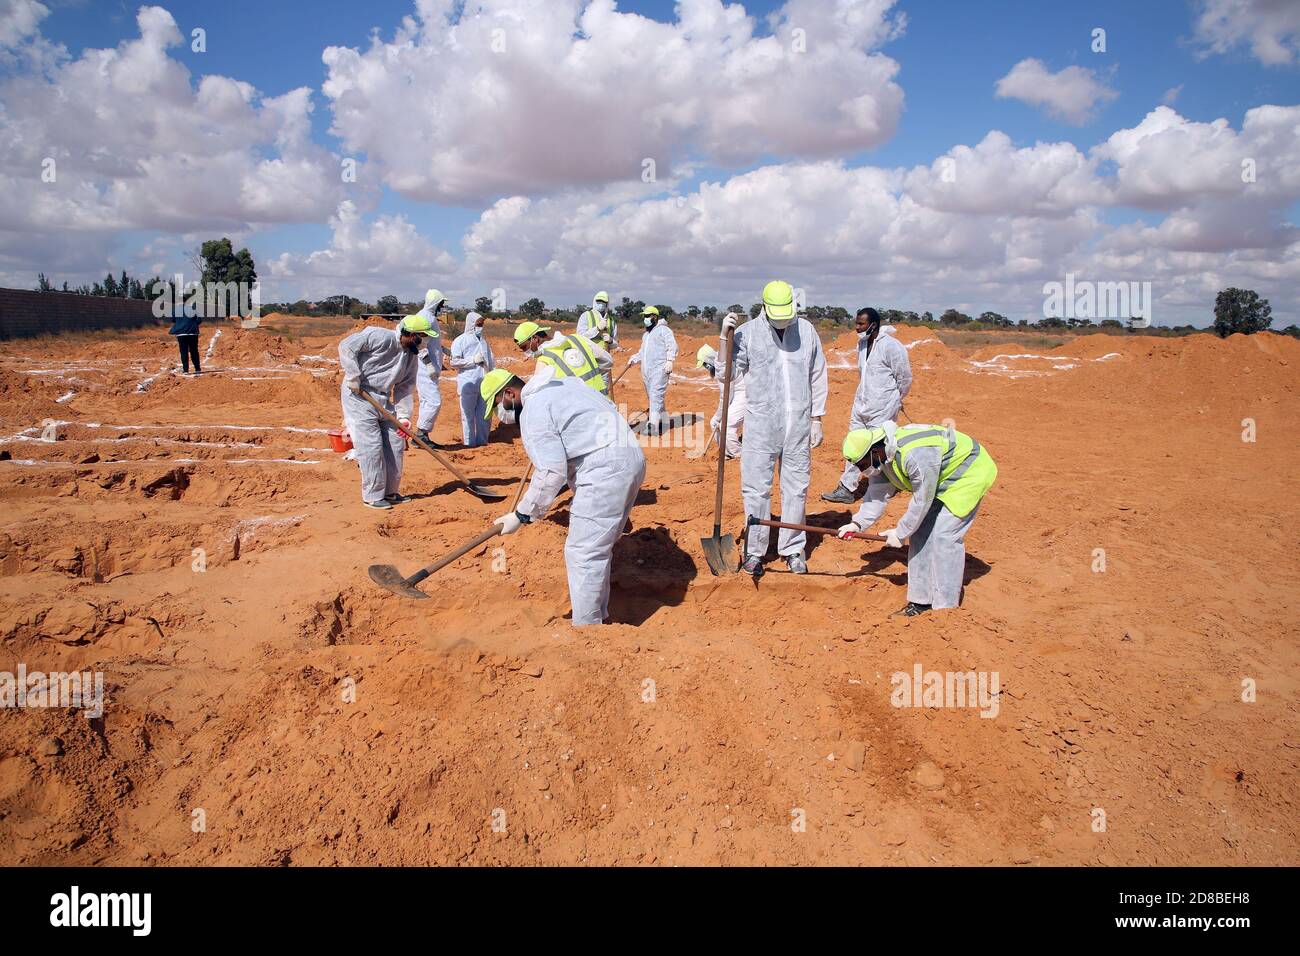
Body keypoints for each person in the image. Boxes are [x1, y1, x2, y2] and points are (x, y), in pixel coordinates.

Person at [481, 370, 646, 626]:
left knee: (583, 552)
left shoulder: (534, 411)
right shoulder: (564, 386)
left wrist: (523, 514)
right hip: (629, 459)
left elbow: (550, 471)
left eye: (497, 407)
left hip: (604, 468)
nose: (499, 416)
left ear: (509, 393)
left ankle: (587, 629)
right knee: (597, 548)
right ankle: (598, 616)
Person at [836, 423, 997, 616]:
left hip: (967, 474)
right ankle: (920, 602)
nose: (862, 469)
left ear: (875, 450)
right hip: (938, 478)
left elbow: (922, 500)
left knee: (944, 536)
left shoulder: (914, 454)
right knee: (920, 534)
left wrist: (900, 532)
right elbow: (877, 495)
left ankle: (945, 608)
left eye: (862, 464)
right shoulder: (881, 459)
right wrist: (857, 523)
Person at [724, 280, 827, 576]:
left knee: (797, 488)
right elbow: (725, 376)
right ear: (765, 308)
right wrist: (724, 340)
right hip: (761, 426)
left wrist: (817, 418)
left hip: (798, 426)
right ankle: (755, 552)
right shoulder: (747, 334)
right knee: (756, 490)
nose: (783, 320)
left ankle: (793, 548)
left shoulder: (806, 331)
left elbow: (817, 374)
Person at [338, 315, 431, 509]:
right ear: (412, 334)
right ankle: (372, 496)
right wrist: (353, 375)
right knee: (371, 446)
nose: (425, 341)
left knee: (396, 443)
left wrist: (404, 417)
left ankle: (389, 492)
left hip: (382, 399)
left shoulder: (410, 356)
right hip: (358, 394)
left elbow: (405, 386)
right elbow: (347, 346)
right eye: (423, 336)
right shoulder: (380, 336)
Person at [822, 307, 912, 503]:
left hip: (883, 406)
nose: (857, 327)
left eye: (861, 324)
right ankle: (846, 488)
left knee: (878, 448)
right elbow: (863, 374)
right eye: (856, 323)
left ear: (873, 324)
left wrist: (895, 399)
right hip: (861, 404)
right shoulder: (861, 344)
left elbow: (904, 377)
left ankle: (888, 483)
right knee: (855, 444)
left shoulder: (891, 347)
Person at [514, 320, 613, 399]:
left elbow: (537, 396)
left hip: (582, 415)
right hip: (604, 404)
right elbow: (608, 361)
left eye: (524, 347)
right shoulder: (578, 339)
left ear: (535, 339)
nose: (525, 351)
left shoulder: (544, 361)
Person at [628, 306, 677, 433]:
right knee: (653, 396)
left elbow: (672, 346)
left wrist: (670, 360)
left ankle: (653, 426)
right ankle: (663, 420)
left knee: (656, 395)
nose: (645, 319)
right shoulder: (646, 335)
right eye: (644, 316)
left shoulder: (664, 330)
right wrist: (635, 358)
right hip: (647, 371)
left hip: (660, 369)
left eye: (647, 316)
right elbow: (642, 352)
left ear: (655, 317)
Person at [449, 311, 495, 447]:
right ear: (471, 324)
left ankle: (482, 442)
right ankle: (469, 443)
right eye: (478, 324)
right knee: (468, 416)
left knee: (484, 416)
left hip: (484, 383)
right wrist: (472, 360)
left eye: (482, 324)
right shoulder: (460, 341)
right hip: (468, 383)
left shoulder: (484, 342)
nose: (480, 327)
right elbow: (454, 362)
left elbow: (491, 360)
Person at [696, 342, 745, 459]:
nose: (705, 368)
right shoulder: (719, 362)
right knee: (714, 423)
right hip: (737, 395)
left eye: (705, 365)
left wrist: (719, 416)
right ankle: (726, 451)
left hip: (745, 395)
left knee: (725, 425)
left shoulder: (721, 366)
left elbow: (726, 396)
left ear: (709, 361)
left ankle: (738, 454)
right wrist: (717, 418)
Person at [413, 289, 449, 449]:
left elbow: (431, 341)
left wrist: (443, 350)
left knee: (426, 401)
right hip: (424, 368)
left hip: (428, 366)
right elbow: (420, 344)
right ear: (435, 303)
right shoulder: (424, 317)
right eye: (441, 304)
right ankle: (420, 434)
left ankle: (422, 436)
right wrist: (428, 364)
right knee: (434, 402)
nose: (442, 307)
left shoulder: (429, 317)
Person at [576, 291, 618, 388]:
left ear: (607, 304)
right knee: (587, 386)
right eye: (598, 301)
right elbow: (580, 336)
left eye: (603, 302)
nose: (601, 304)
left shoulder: (611, 321)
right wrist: (597, 329)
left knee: (603, 388)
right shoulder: (586, 316)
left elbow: (616, 343)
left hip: (604, 360)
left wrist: (611, 340)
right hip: (588, 357)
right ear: (594, 301)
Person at [168, 307, 202, 375]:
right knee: (194, 351)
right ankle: (197, 369)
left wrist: (181, 323)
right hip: (193, 332)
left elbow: (173, 320)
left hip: (181, 333)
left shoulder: (175, 310)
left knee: (183, 351)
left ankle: (185, 370)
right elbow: (199, 320)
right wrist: (193, 324)